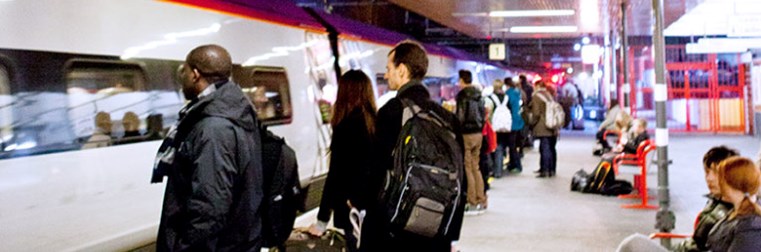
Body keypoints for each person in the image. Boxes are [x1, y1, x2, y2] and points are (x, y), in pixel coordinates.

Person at [152, 44, 263, 251]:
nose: (181, 78)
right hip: (237, 241)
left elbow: (210, 206)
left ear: (195, 74)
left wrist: (183, 248)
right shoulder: (233, 111)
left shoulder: (213, 127)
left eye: (183, 71)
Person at [362, 40, 465, 252]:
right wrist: (450, 232)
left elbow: (375, 171)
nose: (386, 75)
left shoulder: (391, 112)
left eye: (389, 69)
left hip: (393, 228)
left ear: (402, 70)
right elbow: (460, 175)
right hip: (436, 226)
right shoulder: (446, 118)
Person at [617, 146, 739, 252]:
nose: (710, 178)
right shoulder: (714, 201)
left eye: (716, 173)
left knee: (634, 243)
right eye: (707, 172)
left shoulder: (736, 213)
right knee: (634, 244)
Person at [308, 70, 377, 252]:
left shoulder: (346, 125)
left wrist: (322, 220)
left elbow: (335, 175)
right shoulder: (376, 122)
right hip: (375, 206)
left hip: (351, 207)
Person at [706, 156, 761, 251]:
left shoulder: (750, 227)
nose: (718, 185)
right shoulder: (736, 211)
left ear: (733, 185)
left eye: (721, 181)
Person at [455, 69, 487, 213]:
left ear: (462, 80)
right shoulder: (479, 94)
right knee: (476, 167)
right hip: (478, 134)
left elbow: (460, 117)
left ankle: (472, 201)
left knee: (468, 167)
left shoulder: (462, 96)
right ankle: (482, 199)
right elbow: (483, 114)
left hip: (466, 134)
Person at [529, 81, 559, 178]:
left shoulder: (536, 96)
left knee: (544, 148)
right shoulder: (549, 95)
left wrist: (531, 123)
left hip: (543, 126)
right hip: (552, 125)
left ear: (537, 86)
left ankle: (544, 170)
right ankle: (552, 169)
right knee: (551, 148)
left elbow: (536, 113)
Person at [505, 77, 525, 173]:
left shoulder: (508, 94)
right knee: (513, 145)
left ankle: (516, 165)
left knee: (511, 146)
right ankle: (513, 164)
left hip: (511, 123)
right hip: (518, 122)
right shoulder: (517, 93)